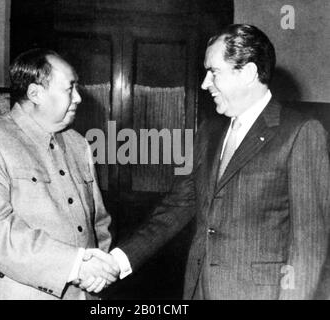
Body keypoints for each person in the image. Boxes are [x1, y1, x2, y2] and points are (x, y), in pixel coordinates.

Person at [87, 24, 330, 299]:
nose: (204, 83)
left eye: (213, 72)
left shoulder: (301, 132)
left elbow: (309, 245)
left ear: (248, 73)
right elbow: (177, 207)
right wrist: (117, 261)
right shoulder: (209, 132)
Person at [0, 48, 120, 300]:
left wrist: (99, 271)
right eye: (69, 88)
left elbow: (98, 223)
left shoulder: (79, 145)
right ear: (35, 93)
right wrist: (75, 266)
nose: (78, 98)